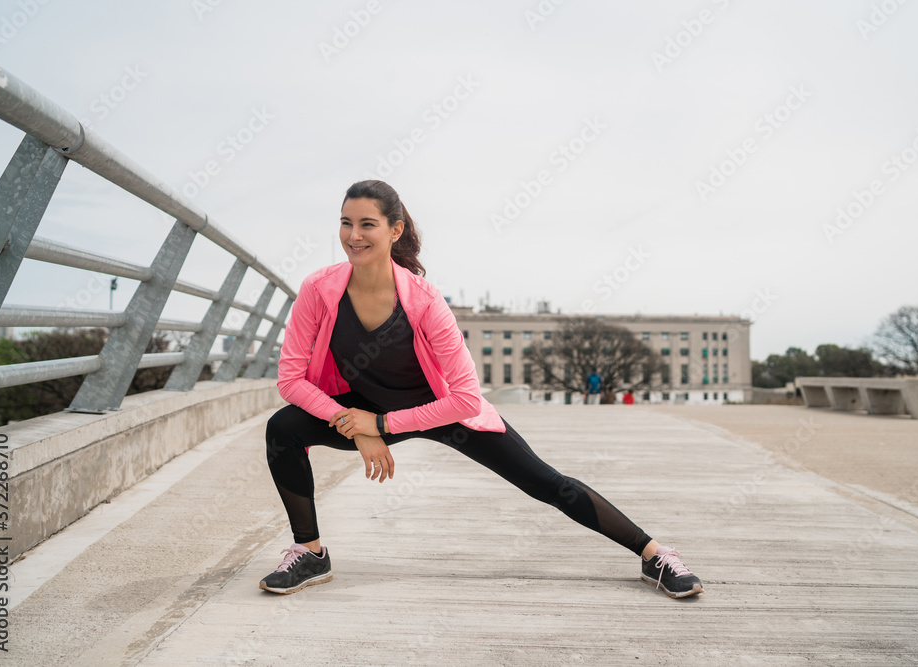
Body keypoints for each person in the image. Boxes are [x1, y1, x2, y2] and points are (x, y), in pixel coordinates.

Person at [260, 180, 703, 599]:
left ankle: (656, 556)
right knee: (284, 428)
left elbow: (467, 398)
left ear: (394, 231)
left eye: (366, 224)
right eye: (345, 223)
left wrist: (379, 423)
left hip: (442, 410)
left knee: (545, 483)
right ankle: (311, 553)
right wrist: (355, 424)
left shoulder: (425, 300)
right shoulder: (319, 289)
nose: (353, 235)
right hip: (361, 410)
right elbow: (290, 379)